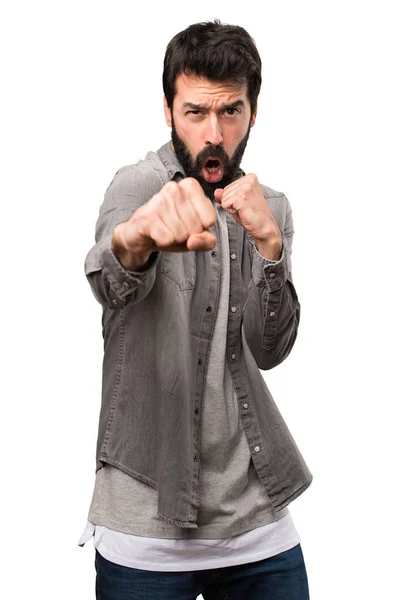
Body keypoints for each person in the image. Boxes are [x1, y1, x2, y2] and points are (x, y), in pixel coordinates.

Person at [79, 19, 313, 600]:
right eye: (195, 112)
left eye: (230, 112)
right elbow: (110, 280)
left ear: (253, 112)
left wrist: (272, 250)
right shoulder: (138, 187)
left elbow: (271, 348)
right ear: (167, 109)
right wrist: (135, 243)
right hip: (146, 521)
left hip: (256, 523)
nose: (214, 133)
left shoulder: (271, 207)